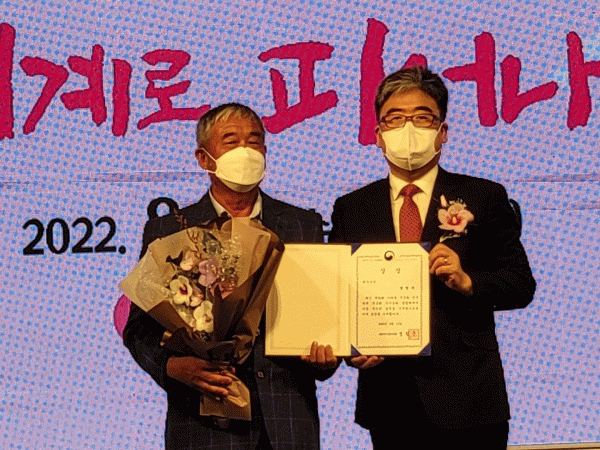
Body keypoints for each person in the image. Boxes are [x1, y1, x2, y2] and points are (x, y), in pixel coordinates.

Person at [329, 67, 536, 449]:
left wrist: (468, 281)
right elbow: (339, 297)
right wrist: (350, 349)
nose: (408, 128)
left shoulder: (483, 197)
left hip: (470, 398)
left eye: (422, 117)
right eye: (395, 118)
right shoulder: (352, 207)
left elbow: (521, 285)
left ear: (442, 132)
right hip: (389, 399)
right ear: (378, 135)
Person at [123, 103, 337, 450]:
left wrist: (327, 357)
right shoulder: (168, 231)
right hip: (203, 425)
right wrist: (173, 367)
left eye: (254, 141)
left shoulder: (302, 225)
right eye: (231, 141)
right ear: (204, 158)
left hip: (287, 423)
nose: (245, 151)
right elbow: (139, 329)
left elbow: (323, 318)